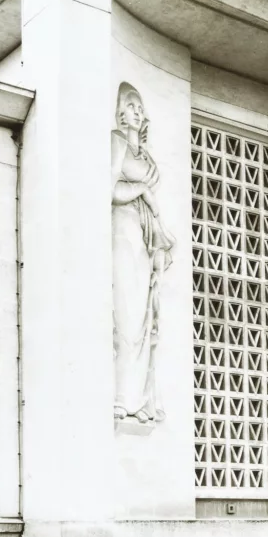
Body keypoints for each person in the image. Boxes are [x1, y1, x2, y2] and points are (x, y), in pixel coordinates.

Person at [111, 82, 175, 423]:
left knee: (146, 317)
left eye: (140, 107)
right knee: (127, 314)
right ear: (121, 112)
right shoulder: (116, 142)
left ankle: (141, 399)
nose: (137, 111)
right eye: (131, 106)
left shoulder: (144, 155)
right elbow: (108, 187)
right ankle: (122, 396)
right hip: (123, 231)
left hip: (144, 232)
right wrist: (141, 191)